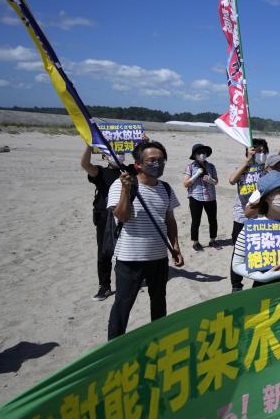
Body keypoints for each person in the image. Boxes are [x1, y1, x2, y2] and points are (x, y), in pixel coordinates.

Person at [106, 141, 184, 339]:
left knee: (159, 302)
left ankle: (158, 339)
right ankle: (114, 345)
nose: (157, 164)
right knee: (123, 304)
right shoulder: (121, 184)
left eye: (161, 160)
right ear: (138, 164)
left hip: (158, 257)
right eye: (152, 160)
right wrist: (126, 190)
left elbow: (170, 221)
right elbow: (121, 216)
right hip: (130, 259)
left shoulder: (165, 189)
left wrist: (175, 248)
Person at [80, 144, 124, 301]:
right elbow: (85, 165)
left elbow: (146, 164)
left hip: (127, 216)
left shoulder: (129, 170)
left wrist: (144, 143)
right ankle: (104, 286)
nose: (118, 155)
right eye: (113, 152)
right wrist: (88, 145)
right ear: (105, 156)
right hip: (106, 217)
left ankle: (132, 278)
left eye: (120, 151)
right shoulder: (101, 172)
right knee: (104, 251)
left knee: (127, 248)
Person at [227, 138, 269, 292]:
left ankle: (258, 282)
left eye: (264, 151)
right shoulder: (242, 168)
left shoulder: (266, 170)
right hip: (242, 218)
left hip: (260, 218)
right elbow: (232, 180)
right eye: (258, 151)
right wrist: (247, 161)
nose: (261, 153)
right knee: (238, 252)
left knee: (259, 251)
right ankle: (236, 285)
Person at [183, 143, 219, 252]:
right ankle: (195, 243)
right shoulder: (190, 167)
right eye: (199, 153)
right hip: (196, 197)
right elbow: (185, 184)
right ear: (194, 155)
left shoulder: (211, 166)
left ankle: (213, 240)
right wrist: (196, 175)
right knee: (196, 220)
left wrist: (211, 180)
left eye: (204, 153)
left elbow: (216, 181)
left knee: (213, 220)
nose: (202, 155)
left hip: (210, 197)